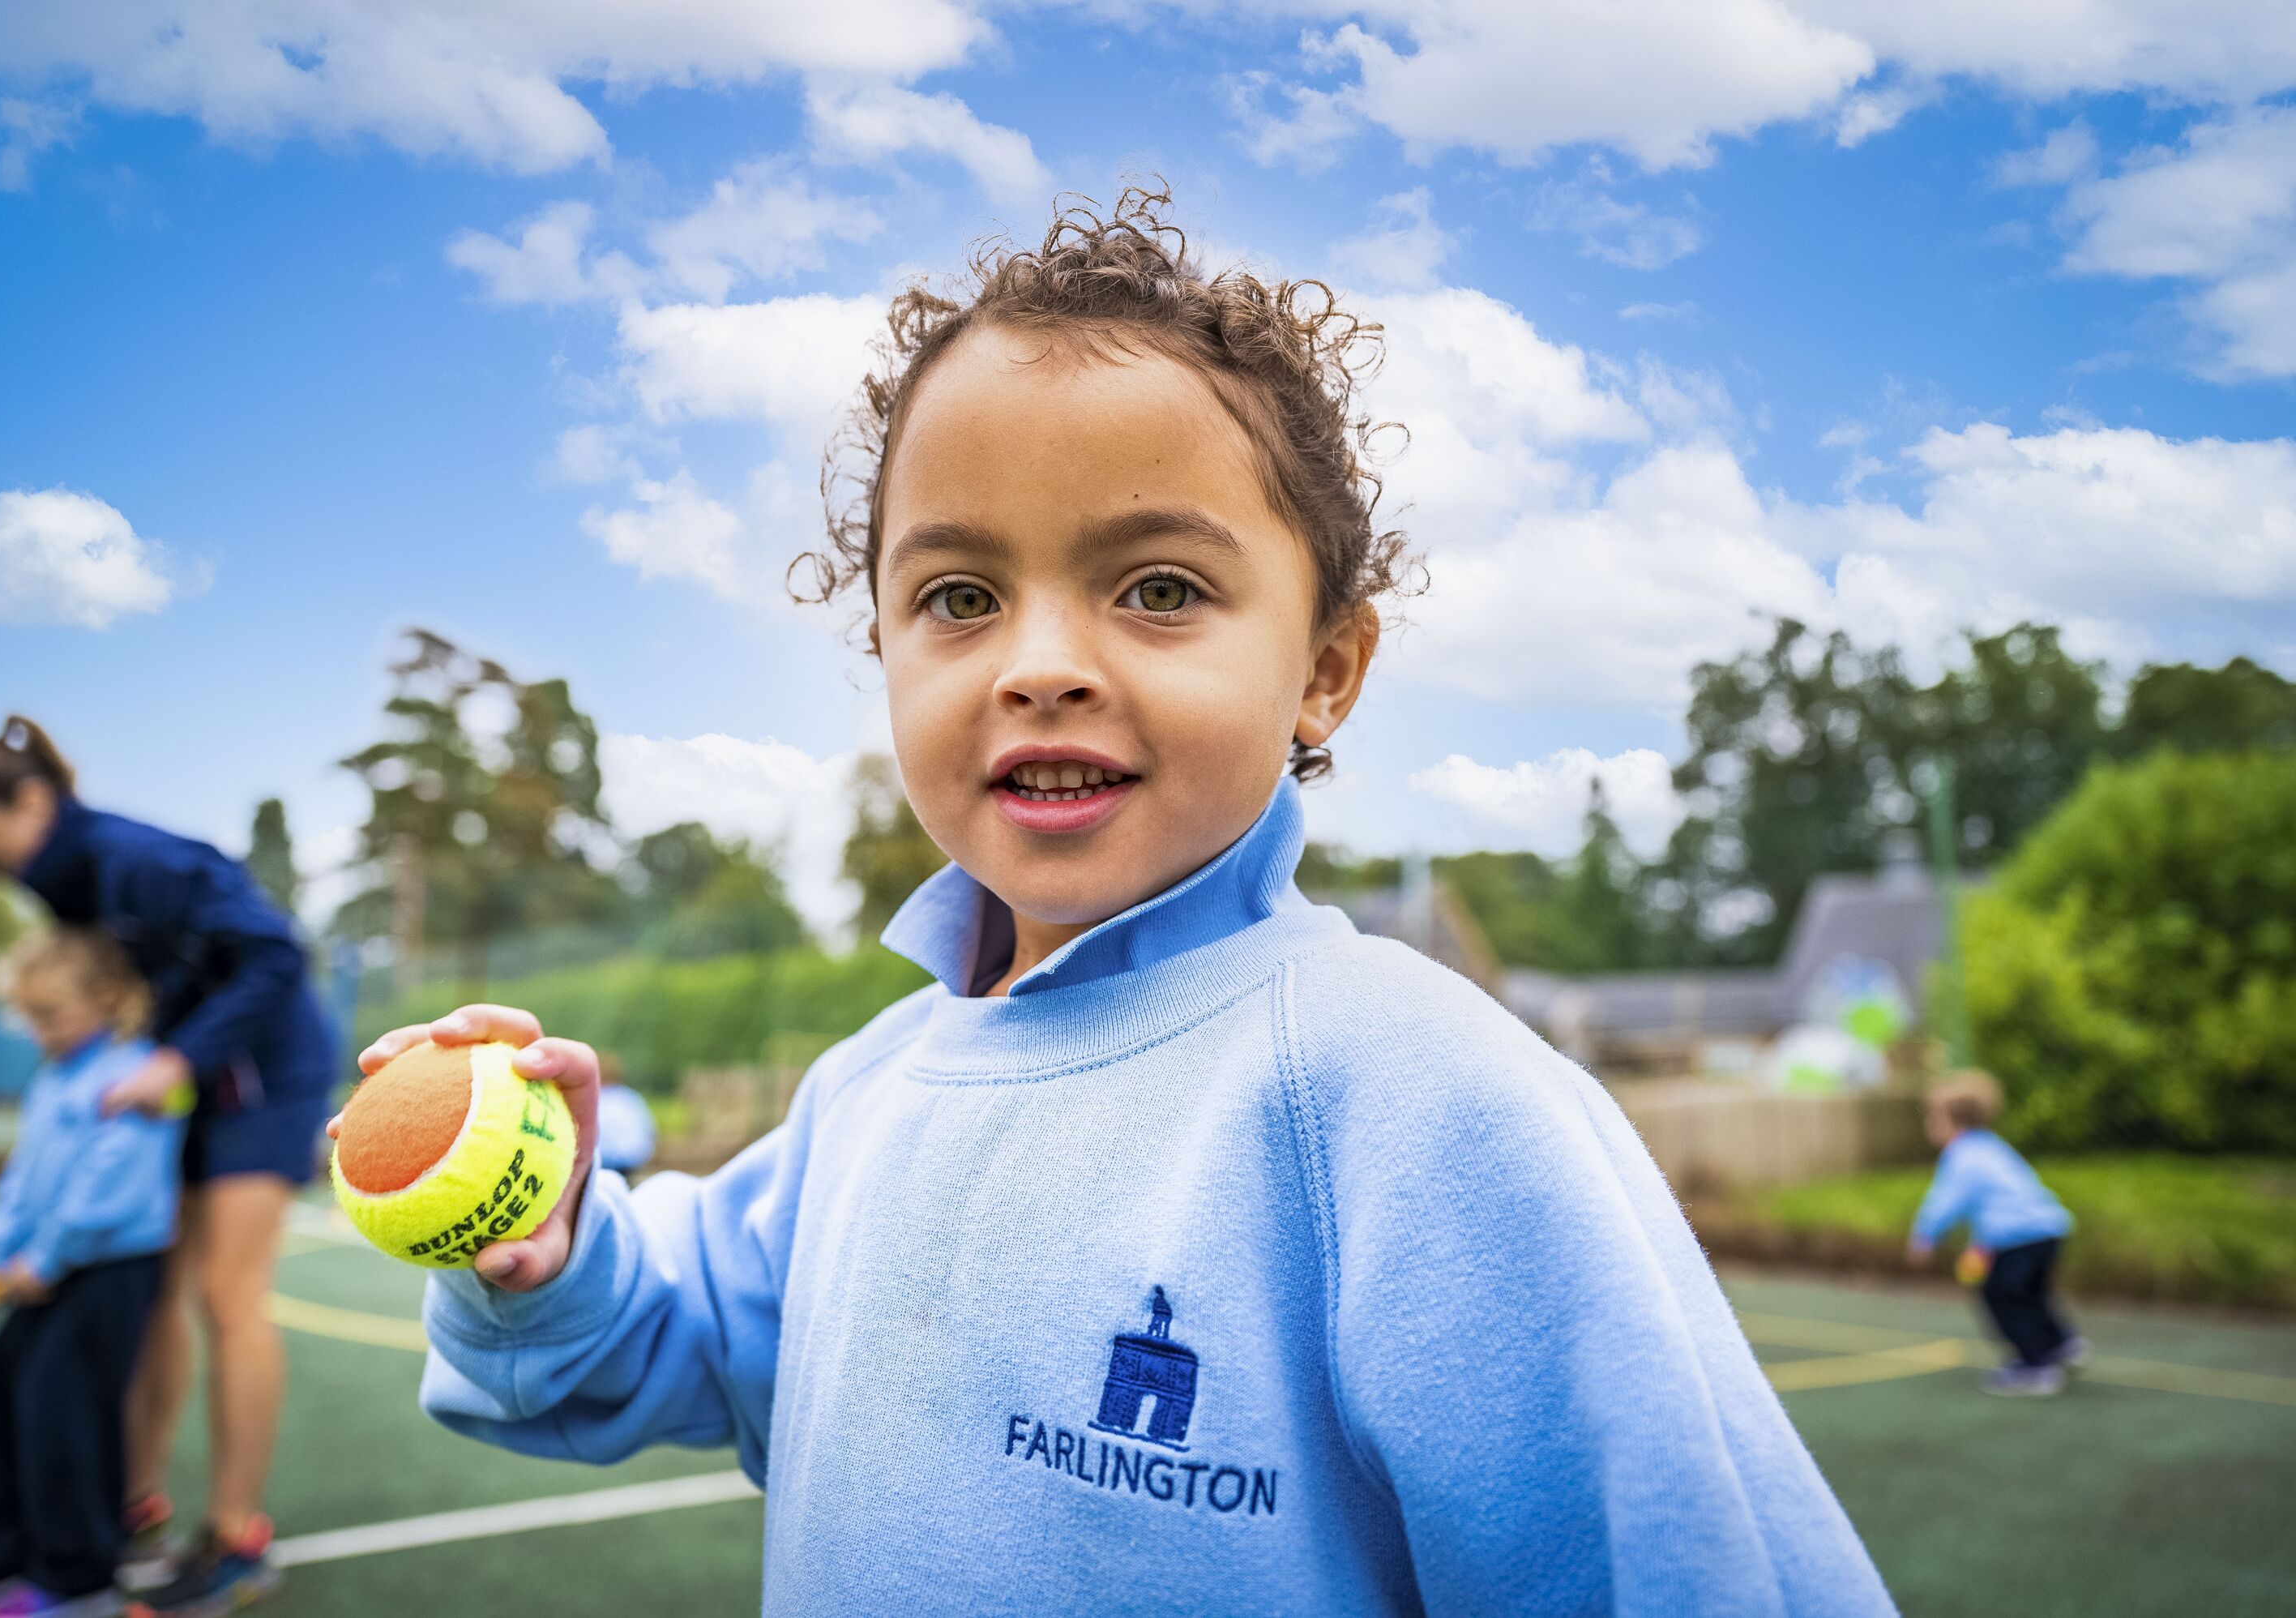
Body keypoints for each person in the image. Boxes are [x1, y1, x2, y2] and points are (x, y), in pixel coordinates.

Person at [353, 189, 1893, 1614]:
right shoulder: (872, 1088)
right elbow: (665, 1342)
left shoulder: (1423, 1100)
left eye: (1159, 587)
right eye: (958, 597)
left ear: (1324, 672)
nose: (1039, 663)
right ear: (882, 644)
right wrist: (551, 1248)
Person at [0, 719, 336, 1615]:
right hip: (182, 1080)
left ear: (32, 800)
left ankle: (236, 1535)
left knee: (229, 1298)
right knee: (154, 1295)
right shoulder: (65, 881)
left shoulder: (137, 859)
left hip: (262, 1078)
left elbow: (277, 953)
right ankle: (133, 1503)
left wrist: (175, 1059)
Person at [0, 931, 184, 1618]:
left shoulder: (144, 1073)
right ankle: (5, 1563)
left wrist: (40, 1263)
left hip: (109, 1273)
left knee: (62, 1416)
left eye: (49, 1013)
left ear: (105, 998)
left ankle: (79, 1584)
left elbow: (110, 1187)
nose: (37, 1030)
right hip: (42, 1273)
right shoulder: (52, 1079)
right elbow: (22, 1180)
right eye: (28, 1015)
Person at [1908, 1070, 2082, 1396]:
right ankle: (2060, 1343)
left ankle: (2036, 1365)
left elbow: (1946, 1201)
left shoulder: (1961, 1155)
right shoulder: (1992, 1146)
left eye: (1932, 1117)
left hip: (2018, 1236)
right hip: (2048, 1229)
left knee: (2001, 1295)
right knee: (2031, 1293)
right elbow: (2003, 1197)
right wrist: (1983, 1244)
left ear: (1949, 1121)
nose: (1930, 1125)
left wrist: (1925, 1236)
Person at [590, 1055, 658, 1176]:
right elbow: (651, 1132)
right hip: (632, 1161)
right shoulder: (632, 1097)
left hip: (604, 1163)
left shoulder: (595, 1098)